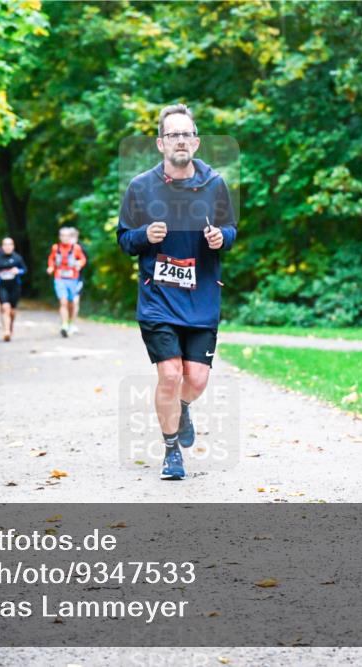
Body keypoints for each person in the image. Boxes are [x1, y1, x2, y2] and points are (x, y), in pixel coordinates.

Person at [117, 103, 237, 480]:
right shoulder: (140, 186)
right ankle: (171, 452)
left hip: (201, 296)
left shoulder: (214, 184)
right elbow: (123, 239)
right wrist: (143, 236)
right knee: (169, 374)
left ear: (197, 143)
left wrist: (221, 238)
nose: (180, 141)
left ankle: (182, 406)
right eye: (173, 135)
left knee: (196, 380)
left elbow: (231, 230)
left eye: (186, 134)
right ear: (160, 143)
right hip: (158, 299)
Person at [46, 226, 87, 338]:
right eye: (62, 235)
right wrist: (50, 267)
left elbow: (83, 259)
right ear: (59, 237)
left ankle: (70, 323)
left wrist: (79, 264)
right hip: (59, 278)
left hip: (73, 278)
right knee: (63, 302)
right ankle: (64, 325)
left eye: (67, 236)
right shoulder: (55, 248)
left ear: (70, 237)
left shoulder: (76, 248)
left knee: (72, 304)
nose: (65, 238)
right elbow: (51, 259)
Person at [0, 236, 27, 342]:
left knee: (12, 311)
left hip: (15, 286)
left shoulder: (17, 258)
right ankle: (6, 331)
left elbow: (24, 270)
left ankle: (10, 327)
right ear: (2, 246)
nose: (7, 247)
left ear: (13, 246)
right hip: (2, 286)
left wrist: (18, 271)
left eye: (9, 244)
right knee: (5, 307)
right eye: (5, 244)